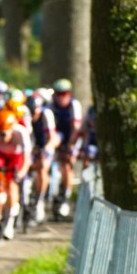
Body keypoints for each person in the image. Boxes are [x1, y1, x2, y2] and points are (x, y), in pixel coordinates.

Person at [0, 110, 32, 240]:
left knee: (12, 187)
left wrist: (20, 173)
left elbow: (26, 159)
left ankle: (9, 223)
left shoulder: (21, 133)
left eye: (2, 134)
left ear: (11, 130)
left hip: (15, 157)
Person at [50, 78, 83, 218]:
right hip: (59, 136)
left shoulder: (74, 105)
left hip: (73, 138)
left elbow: (76, 129)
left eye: (64, 94)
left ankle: (66, 197)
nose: (61, 97)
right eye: (58, 94)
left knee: (67, 164)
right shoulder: (51, 105)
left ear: (69, 94)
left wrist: (70, 147)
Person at [26, 92, 58, 223]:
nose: (33, 115)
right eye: (31, 112)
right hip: (31, 145)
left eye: (35, 112)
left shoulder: (46, 114)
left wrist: (45, 150)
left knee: (42, 167)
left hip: (45, 144)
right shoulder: (24, 115)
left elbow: (52, 138)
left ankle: (39, 200)